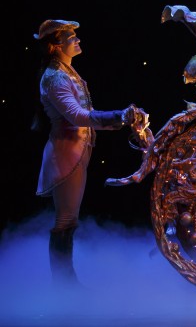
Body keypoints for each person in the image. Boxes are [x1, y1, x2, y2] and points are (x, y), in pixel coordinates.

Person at [32, 19, 137, 288]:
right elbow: (77, 116)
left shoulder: (67, 72)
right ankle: (64, 284)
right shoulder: (55, 77)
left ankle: (66, 282)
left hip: (78, 149)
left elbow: (83, 115)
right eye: (70, 37)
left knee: (70, 218)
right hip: (66, 153)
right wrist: (118, 116)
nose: (77, 40)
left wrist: (119, 122)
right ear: (56, 46)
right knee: (65, 219)